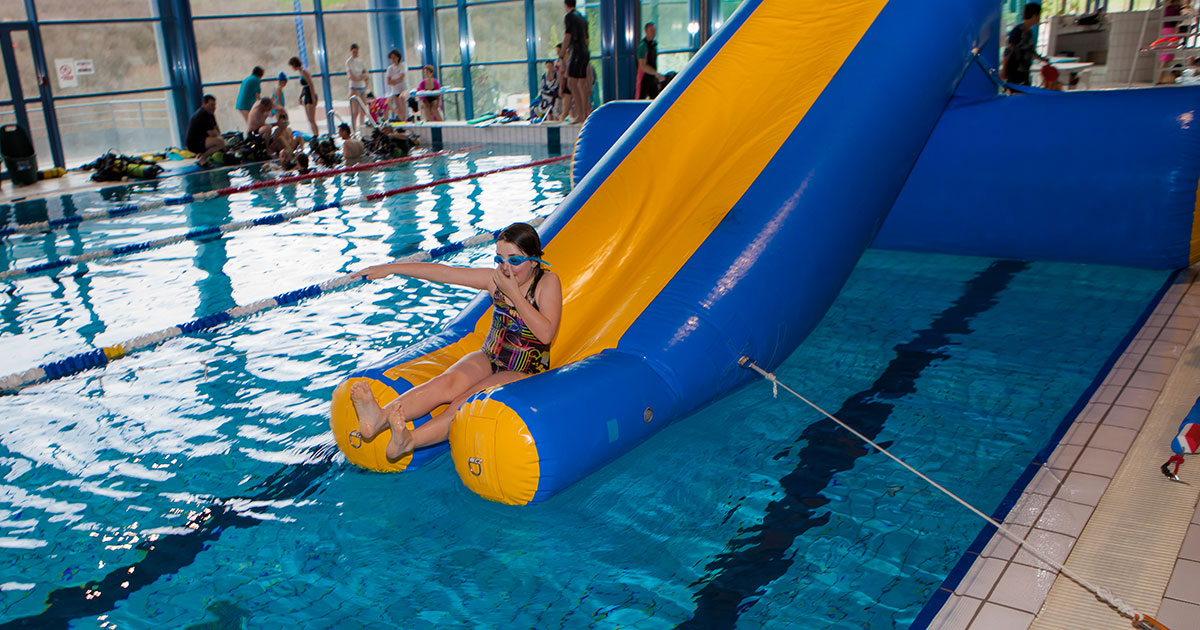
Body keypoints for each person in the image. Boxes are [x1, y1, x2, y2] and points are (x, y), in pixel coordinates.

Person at [348, 222, 563, 461]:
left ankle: (410, 440)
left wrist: (513, 293)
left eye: (514, 260)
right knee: (445, 383)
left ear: (534, 261)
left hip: (525, 369)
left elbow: (546, 334)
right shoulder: (495, 280)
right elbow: (445, 273)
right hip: (490, 355)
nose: (505, 268)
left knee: (464, 401)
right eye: (499, 259)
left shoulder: (547, 283)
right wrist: (392, 268)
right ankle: (378, 419)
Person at [1000, 3, 1049, 87]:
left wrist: (1043, 59)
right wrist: (1003, 70)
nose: (1039, 19)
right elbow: (1008, 52)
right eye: (1038, 16)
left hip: (1024, 72)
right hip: (1014, 72)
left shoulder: (1029, 32)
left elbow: (1030, 51)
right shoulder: (1017, 32)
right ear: (1034, 16)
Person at [561, 0, 591, 122]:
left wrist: (562, 54)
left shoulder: (569, 17)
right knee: (581, 84)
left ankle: (580, 114)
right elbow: (587, 39)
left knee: (571, 84)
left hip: (577, 52)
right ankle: (584, 114)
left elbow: (568, 37)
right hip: (584, 52)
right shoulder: (582, 18)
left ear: (565, 5)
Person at [185, 94, 226, 167]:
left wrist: (221, 137)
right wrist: (222, 143)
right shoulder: (202, 114)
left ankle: (202, 155)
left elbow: (216, 128)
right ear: (204, 104)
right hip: (193, 144)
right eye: (211, 105)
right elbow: (212, 134)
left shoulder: (210, 113)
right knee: (219, 143)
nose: (213, 107)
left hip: (201, 140)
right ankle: (202, 159)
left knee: (221, 141)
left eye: (214, 105)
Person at [289, 56, 321, 137]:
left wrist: (313, 98)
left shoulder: (304, 72)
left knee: (312, 119)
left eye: (292, 66)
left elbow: (311, 84)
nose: (292, 68)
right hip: (307, 94)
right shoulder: (301, 72)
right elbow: (305, 87)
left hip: (310, 95)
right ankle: (314, 135)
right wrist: (301, 97)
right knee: (309, 119)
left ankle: (316, 135)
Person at [636, 22, 663, 99]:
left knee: (655, 100)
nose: (653, 33)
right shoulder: (643, 46)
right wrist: (656, 74)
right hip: (644, 78)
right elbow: (643, 66)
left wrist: (656, 78)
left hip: (652, 78)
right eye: (651, 31)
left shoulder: (653, 45)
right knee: (640, 100)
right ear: (646, 32)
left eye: (654, 31)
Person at [346, 43, 369, 131]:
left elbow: (365, 74)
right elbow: (352, 77)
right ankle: (354, 130)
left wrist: (360, 78)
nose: (355, 53)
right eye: (354, 52)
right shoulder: (349, 62)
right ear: (351, 52)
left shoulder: (361, 61)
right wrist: (361, 77)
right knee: (354, 112)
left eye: (356, 52)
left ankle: (362, 129)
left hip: (362, 87)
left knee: (363, 110)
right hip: (354, 88)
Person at [235, 66, 265, 131]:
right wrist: (263, 105)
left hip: (241, 104)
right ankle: (250, 138)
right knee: (251, 124)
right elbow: (257, 95)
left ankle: (250, 137)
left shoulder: (248, 79)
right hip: (246, 105)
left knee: (250, 123)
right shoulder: (256, 80)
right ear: (260, 74)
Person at [384, 49, 407, 122]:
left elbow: (401, 78)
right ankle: (400, 121)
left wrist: (393, 81)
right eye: (391, 58)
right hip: (395, 91)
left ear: (398, 57)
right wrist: (395, 81)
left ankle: (404, 119)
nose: (393, 59)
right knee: (398, 108)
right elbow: (388, 82)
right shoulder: (390, 68)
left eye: (394, 57)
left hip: (403, 89)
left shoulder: (402, 65)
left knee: (402, 101)